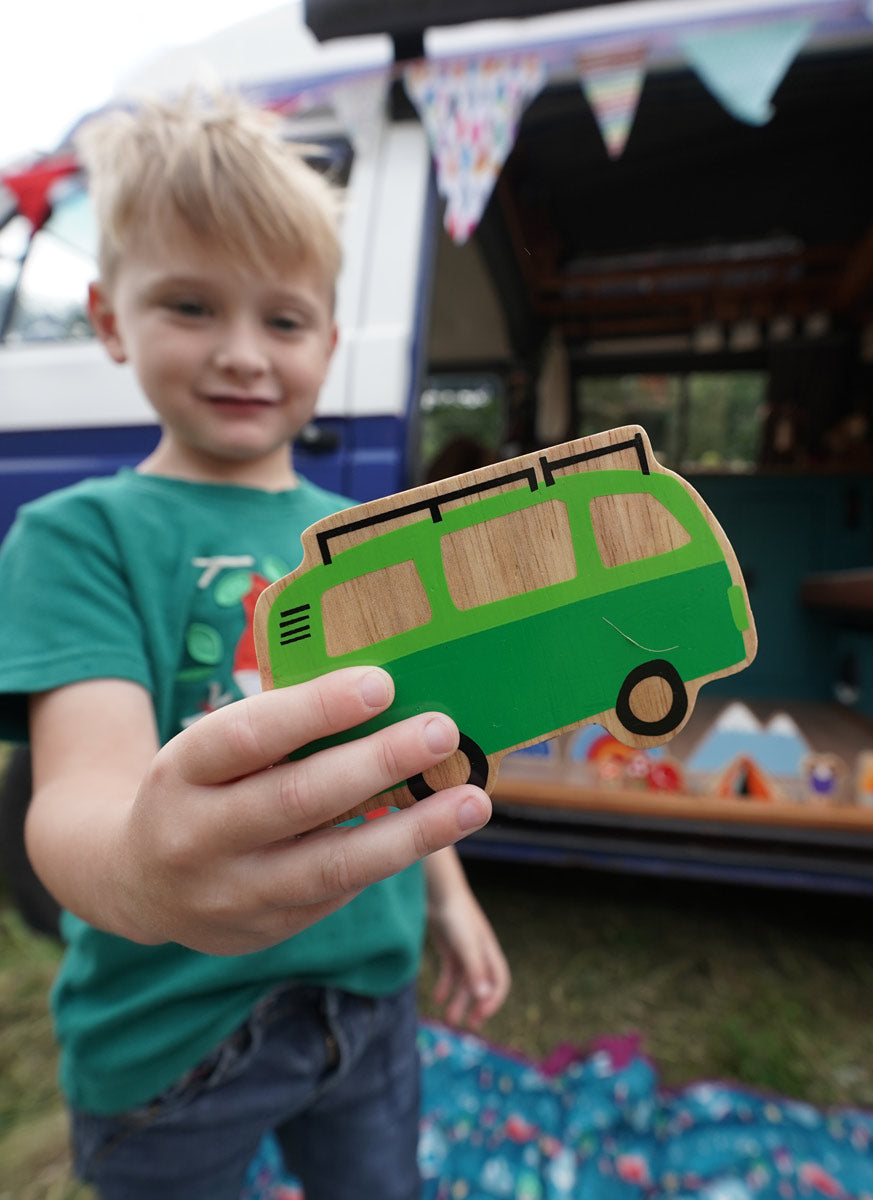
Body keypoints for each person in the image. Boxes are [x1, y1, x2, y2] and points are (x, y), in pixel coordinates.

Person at [0, 93, 510, 1200]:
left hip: (370, 1002)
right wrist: (139, 874)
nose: (241, 353)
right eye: (190, 305)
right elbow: (74, 796)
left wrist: (450, 900)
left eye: (283, 321)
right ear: (109, 319)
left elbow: (410, 745)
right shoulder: (75, 538)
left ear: (330, 342)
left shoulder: (368, 541)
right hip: (169, 1035)